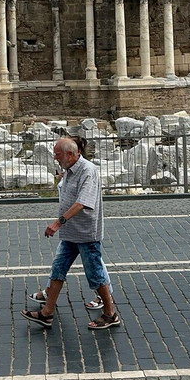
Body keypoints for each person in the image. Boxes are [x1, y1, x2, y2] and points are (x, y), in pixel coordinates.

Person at [21, 137, 121, 330]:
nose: (55, 157)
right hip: (70, 233)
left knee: (95, 274)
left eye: (57, 154)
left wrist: (57, 223)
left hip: (85, 234)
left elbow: (82, 202)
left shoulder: (88, 171)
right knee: (58, 270)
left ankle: (110, 314)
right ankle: (46, 313)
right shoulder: (69, 169)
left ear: (70, 154)